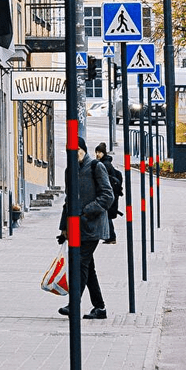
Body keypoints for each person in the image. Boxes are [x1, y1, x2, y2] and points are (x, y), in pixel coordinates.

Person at [57, 136, 114, 320]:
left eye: (77, 152)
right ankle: (100, 308)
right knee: (88, 269)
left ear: (83, 150)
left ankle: (74, 304)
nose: (74, 156)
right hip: (76, 227)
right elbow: (68, 200)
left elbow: (107, 195)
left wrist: (86, 212)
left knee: (80, 263)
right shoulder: (70, 171)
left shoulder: (96, 167)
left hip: (93, 226)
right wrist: (63, 227)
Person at [95, 143, 123, 245]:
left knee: (107, 216)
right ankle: (108, 236)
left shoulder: (105, 165)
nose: (97, 154)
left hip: (109, 194)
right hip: (112, 194)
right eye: (96, 152)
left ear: (104, 153)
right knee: (107, 216)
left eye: (99, 152)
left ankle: (111, 237)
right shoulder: (105, 162)